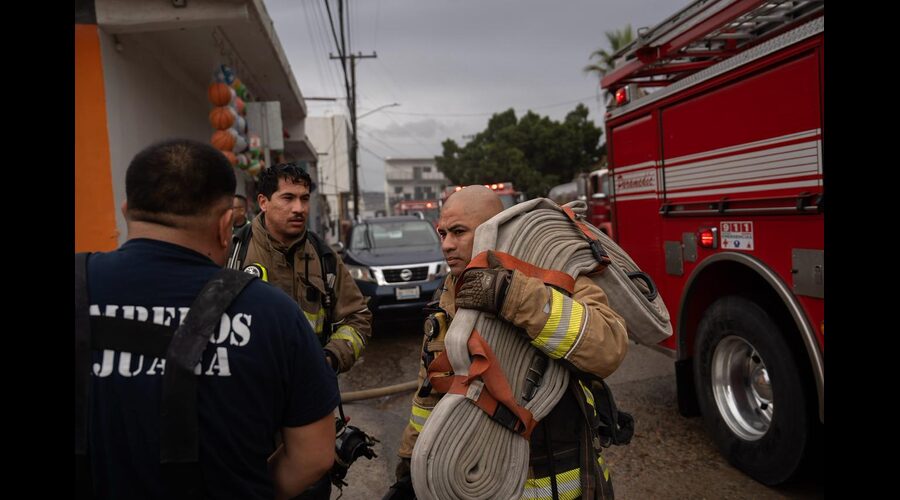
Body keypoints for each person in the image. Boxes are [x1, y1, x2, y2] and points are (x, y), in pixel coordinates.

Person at [76, 139, 339, 499]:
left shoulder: (79, 285)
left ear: (127, 211)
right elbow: (314, 455)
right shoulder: (273, 312)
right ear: (225, 225)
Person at [391, 185, 629, 499]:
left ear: (497, 230)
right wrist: (411, 461)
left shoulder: (554, 278)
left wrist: (511, 295)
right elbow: (429, 393)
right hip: (476, 481)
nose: (447, 245)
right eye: (442, 233)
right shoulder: (446, 296)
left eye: (459, 232)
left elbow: (608, 347)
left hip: (558, 483)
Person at [228, 162, 373, 499]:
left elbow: (358, 318)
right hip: (245, 409)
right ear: (263, 202)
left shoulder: (324, 258)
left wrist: (328, 360)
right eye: (288, 198)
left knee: (310, 486)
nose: (299, 208)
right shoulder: (232, 253)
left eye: (304, 199)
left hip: (307, 412)